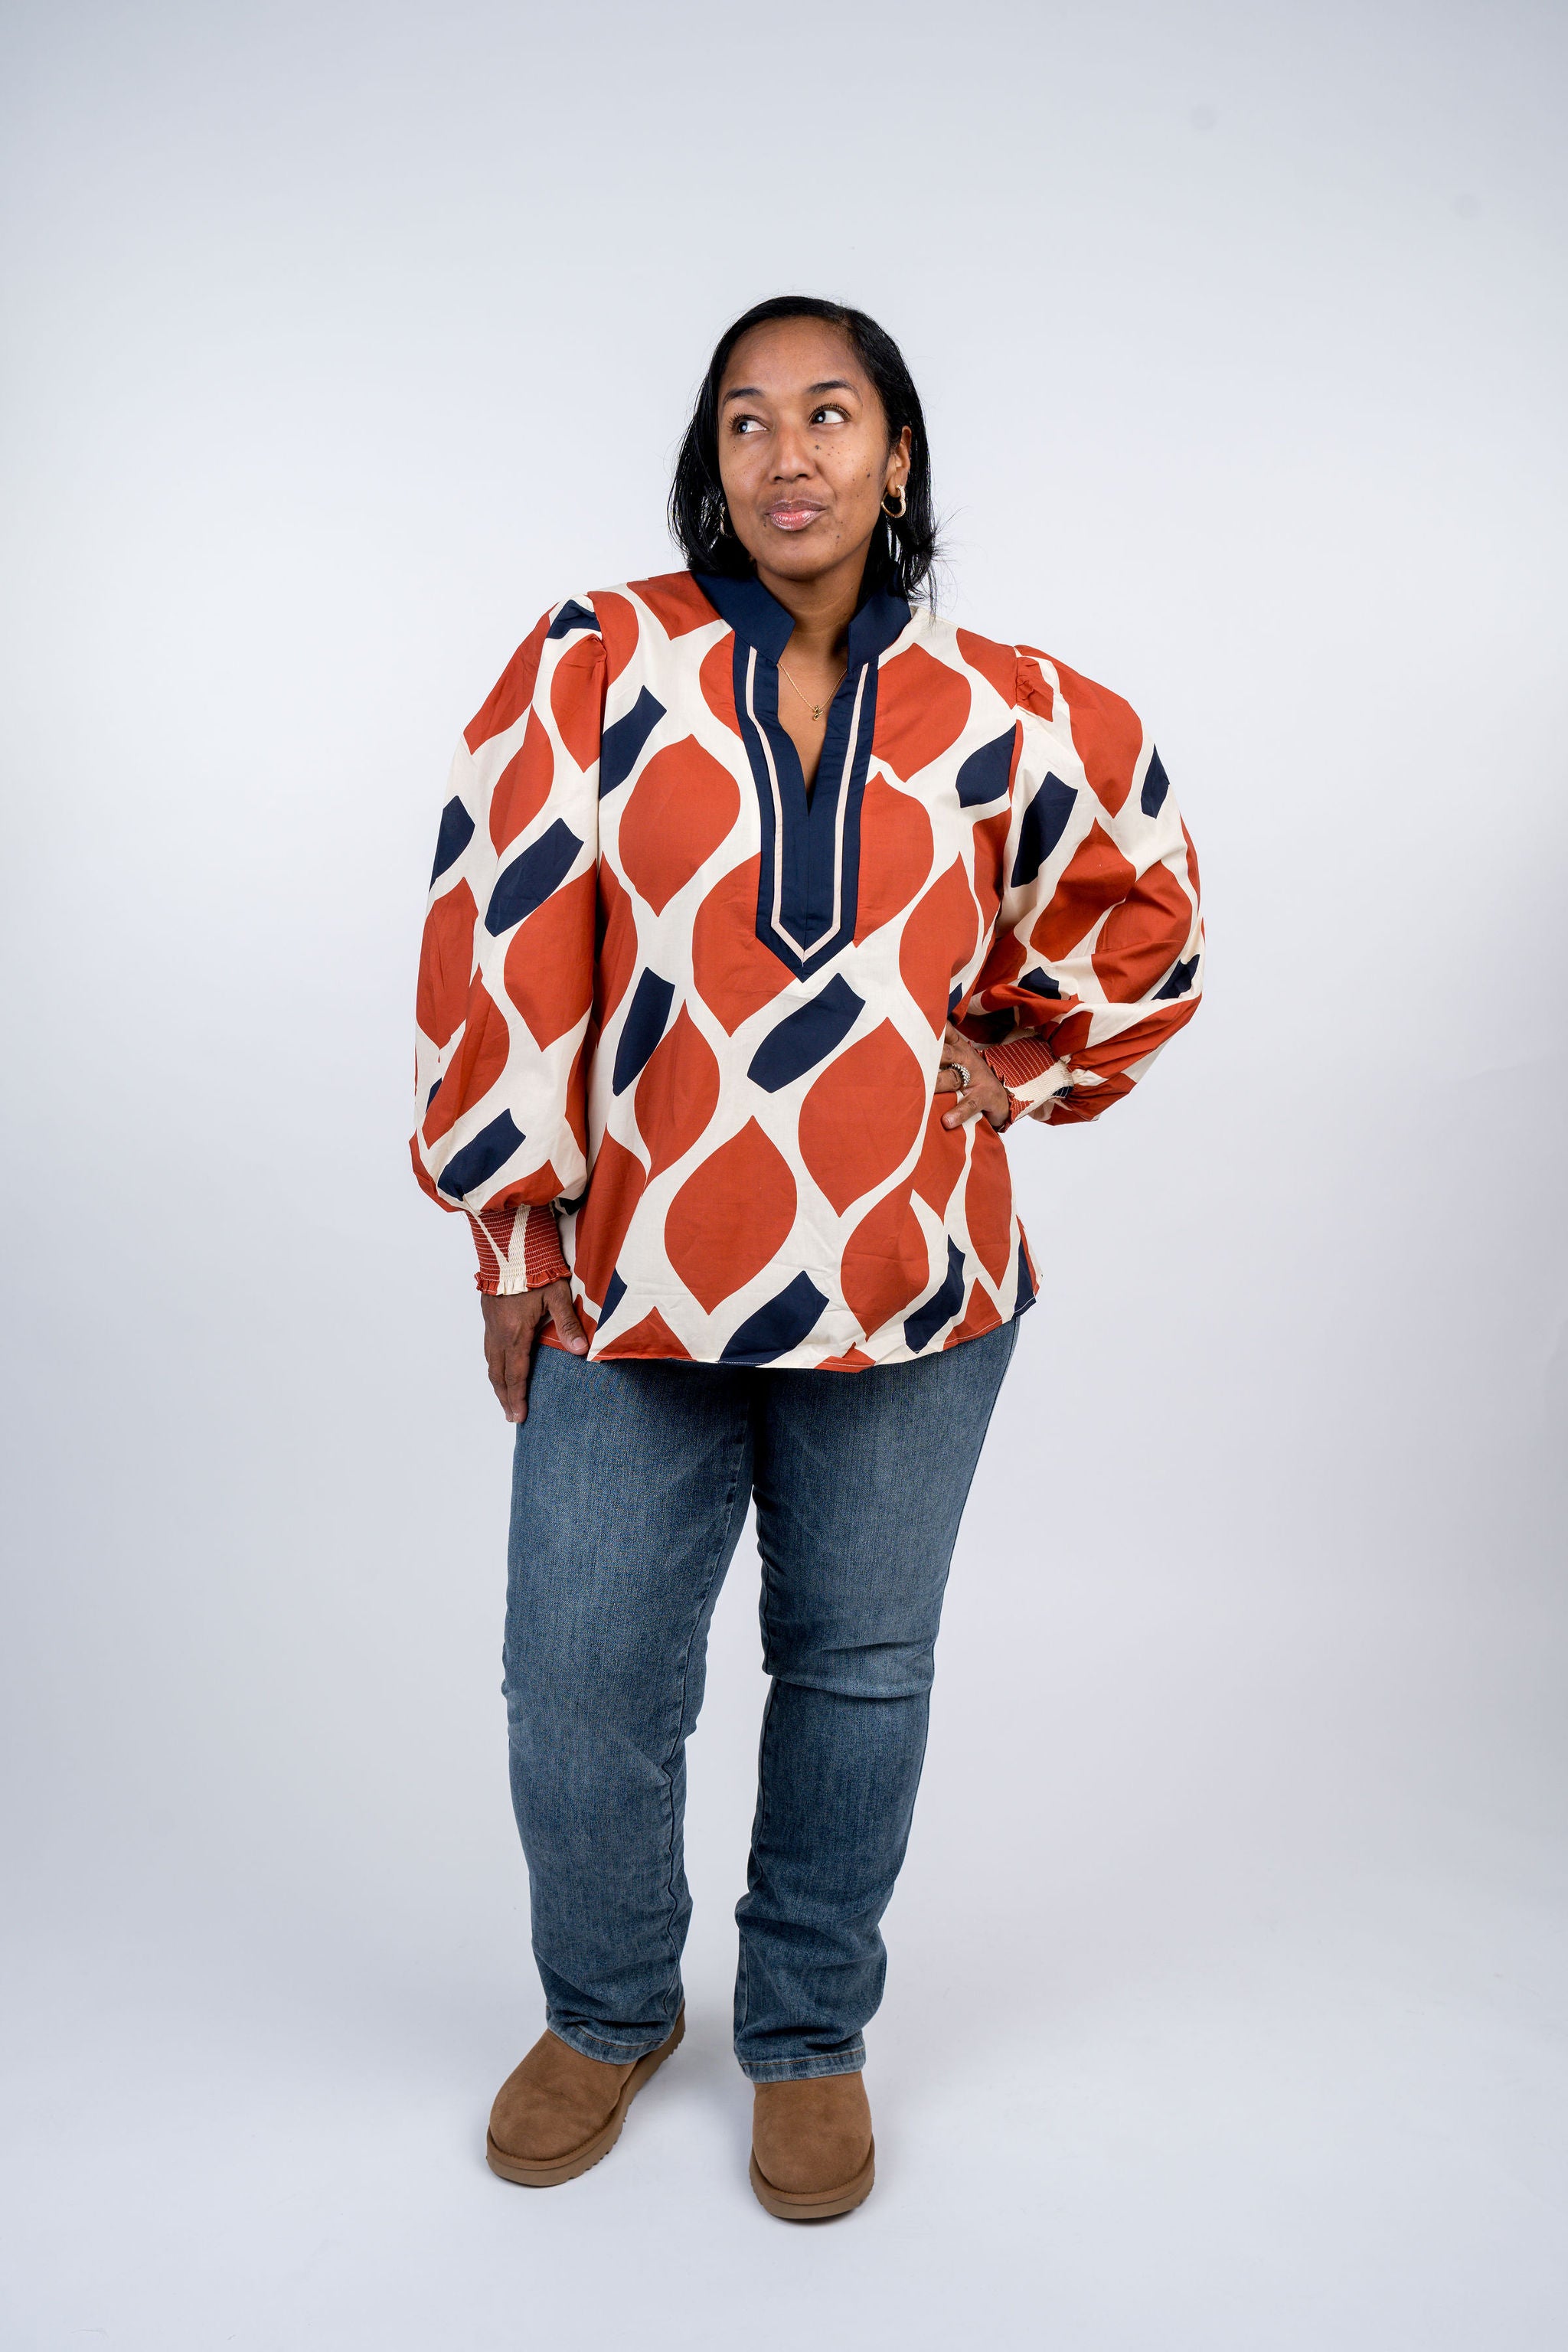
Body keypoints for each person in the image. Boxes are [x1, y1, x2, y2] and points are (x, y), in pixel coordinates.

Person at [411, 294, 1203, 2220]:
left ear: (894, 453)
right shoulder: (596, 662)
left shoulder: (1015, 707)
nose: (788, 455)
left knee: (855, 1670)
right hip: (630, 1282)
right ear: (716, 460)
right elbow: (502, 935)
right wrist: (514, 1232)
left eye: (829, 414)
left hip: (916, 1279)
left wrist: (1012, 1057)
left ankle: (808, 2031)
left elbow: (1147, 905)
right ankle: (607, 2010)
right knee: (579, 1676)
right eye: (748, 420)